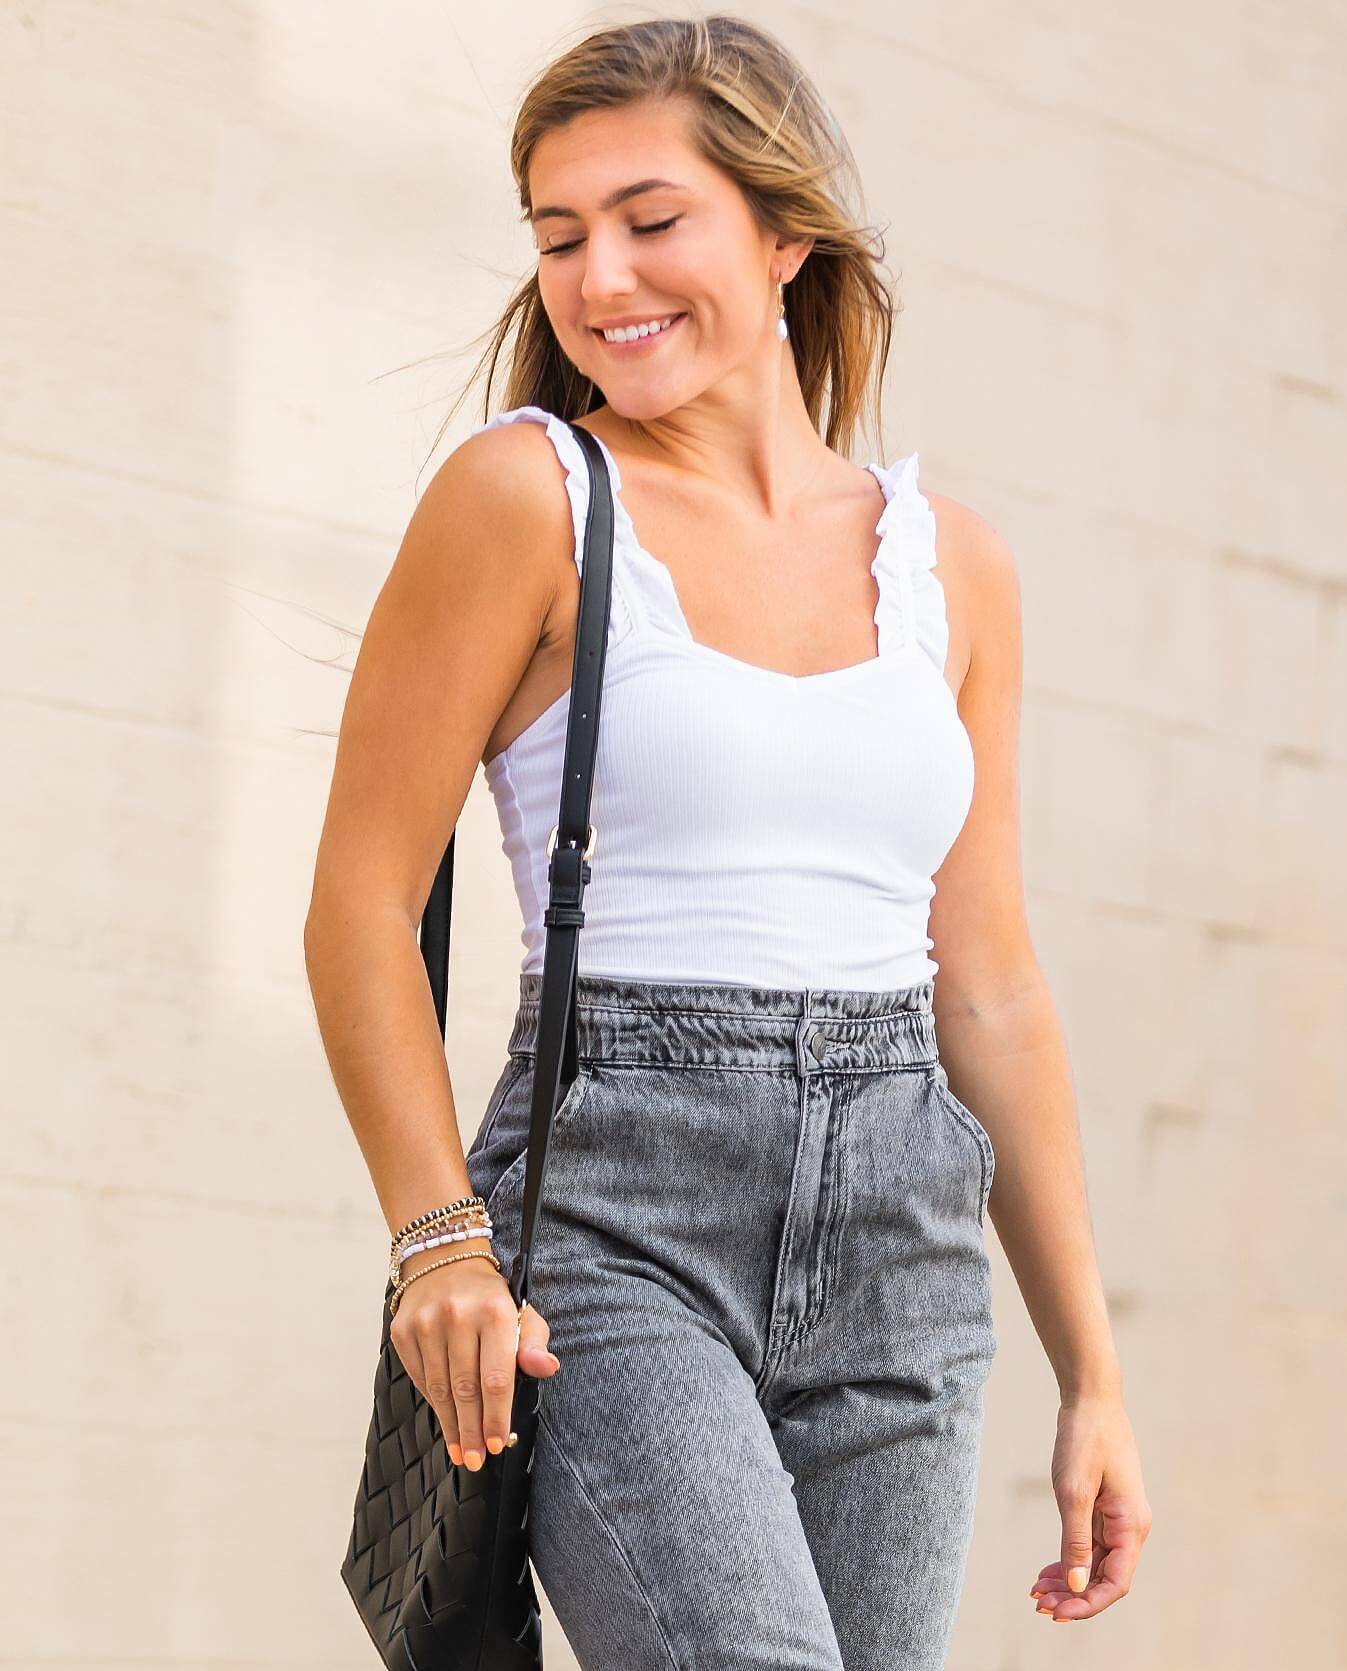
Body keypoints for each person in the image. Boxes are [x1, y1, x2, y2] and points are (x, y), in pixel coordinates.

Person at [304, 15, 1151, 1669]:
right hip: (617, 1214)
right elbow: (356, 900)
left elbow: (984, 987)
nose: (597, 276)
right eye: (557, 238)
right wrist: (435, 1245)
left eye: (647, 217)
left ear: (786, 235)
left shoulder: (949, 566)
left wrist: (1092, 1373)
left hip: (905, 1232)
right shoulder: (528, 496)